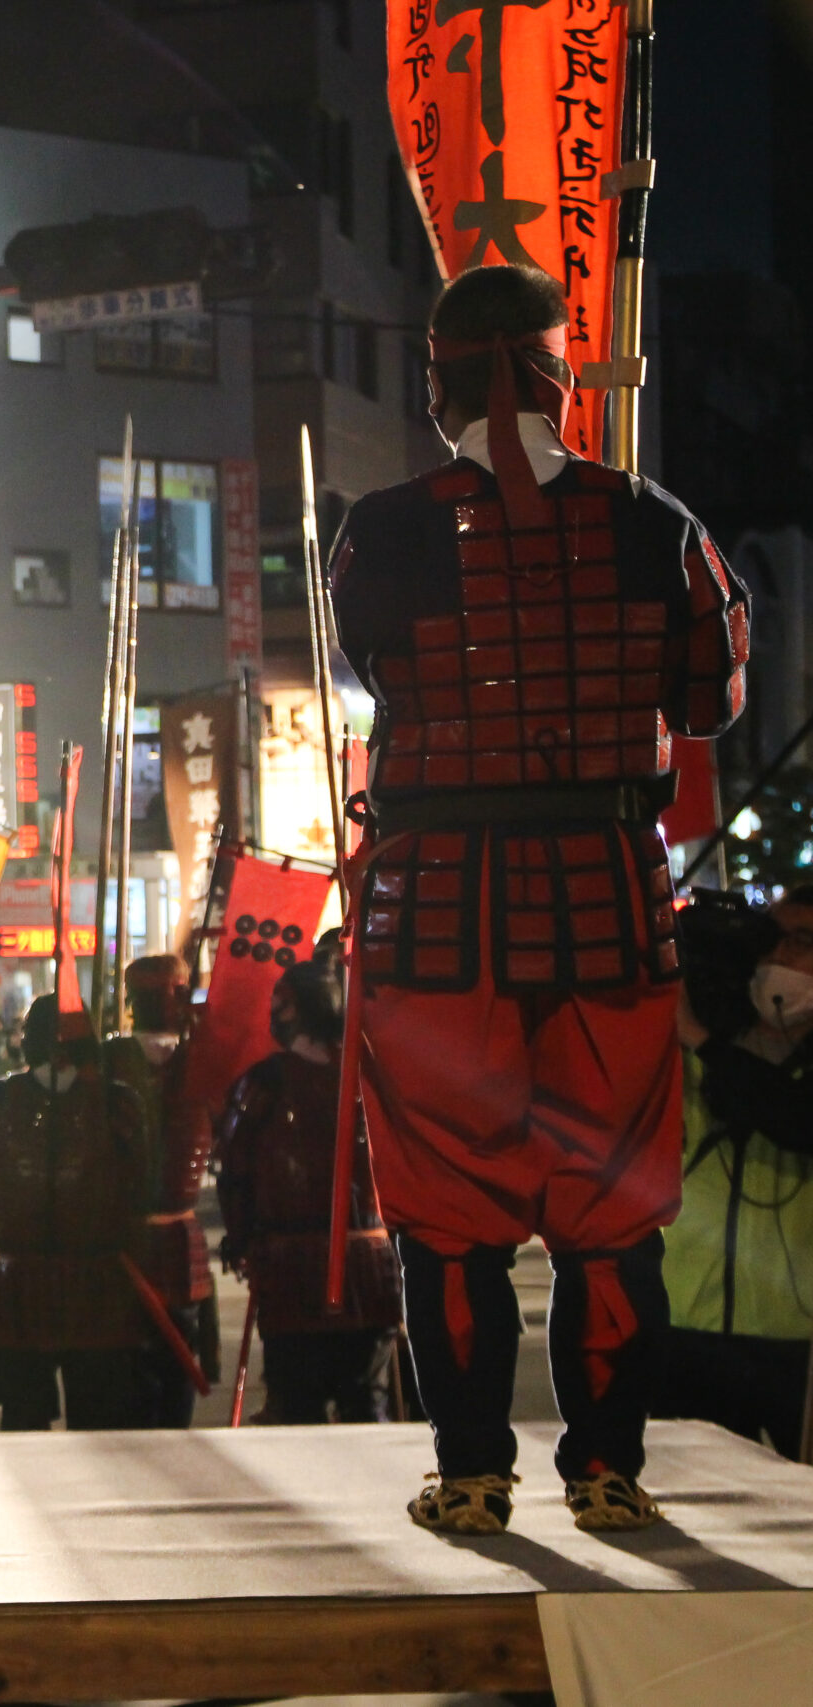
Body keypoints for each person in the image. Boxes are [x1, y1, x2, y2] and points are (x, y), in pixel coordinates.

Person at [331, 265, 750, 1534]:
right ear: (565, 376)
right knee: (611, 1214)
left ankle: (471, 1475)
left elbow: (369, 676)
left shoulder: (380, 529)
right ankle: (607, 1472)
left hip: (434, 924)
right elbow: (708, 700)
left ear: (434, 376)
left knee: (447, 1222)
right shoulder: (659, 523)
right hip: (609, 920)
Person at [654, 888, 813, 1459]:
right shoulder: (695, 1049)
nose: (779, 957)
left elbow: (793, 1118)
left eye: (800, 942)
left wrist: (699, 1039)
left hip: (797, 1340)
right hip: (686, 1326)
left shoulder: (706, 1045)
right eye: (772, 939)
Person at [214, 954, 402, 1423]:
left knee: (302, 1403)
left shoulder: (267, 1085)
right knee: (362, 1400)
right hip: (353, 1264)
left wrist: (239, 1240)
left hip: (302, 1266)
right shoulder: (376, 1077)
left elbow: (235, 1172)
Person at [0, 994, 156, 1430]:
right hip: (77, 1283)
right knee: (85, 1418)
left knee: (41, 1417)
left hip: (62, 1281)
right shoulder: (113, 1102)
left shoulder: (112, 1104)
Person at [104, 955, 219, 1425]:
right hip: (129, 1236)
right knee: (144, 1363)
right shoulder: (109, 1062)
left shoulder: (197, 1059)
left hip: (162, 1236)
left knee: (156, 1360)